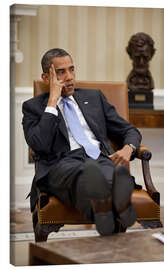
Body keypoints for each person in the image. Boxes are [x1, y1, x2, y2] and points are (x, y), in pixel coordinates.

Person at [22, 48, 142, 236]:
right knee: (87, 174)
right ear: (47, 78)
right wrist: (53, 101)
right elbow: (39, 144)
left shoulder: (94, 98)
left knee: (103, 173)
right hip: (61, 164)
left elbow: (129, 130)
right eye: (61, 72)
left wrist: (129, 148)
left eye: (71, 69)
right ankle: (120, 205)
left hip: (99, 158)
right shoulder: (33, 107)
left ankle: (104, 211)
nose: (69, 77)